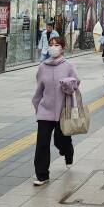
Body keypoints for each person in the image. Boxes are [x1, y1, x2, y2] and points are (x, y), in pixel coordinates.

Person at [32, 36, 79, 186]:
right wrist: (37, 106)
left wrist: (68, 84)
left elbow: (76, 83)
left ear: (62, 48)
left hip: (63, 111)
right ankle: (42, 175)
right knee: (42, 144)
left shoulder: (68, 65)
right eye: (51, 45)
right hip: (45, 111)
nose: (53, 47)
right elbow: (39, 89)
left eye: (56, 45)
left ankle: (68, 152)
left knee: (61, 141)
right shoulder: (43, 66)